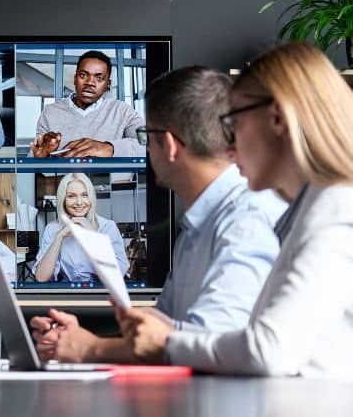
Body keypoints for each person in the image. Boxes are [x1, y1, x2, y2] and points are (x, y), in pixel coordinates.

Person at [121, 43, 353, 379]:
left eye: (235, 122)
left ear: (276, 118)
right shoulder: (309, 210)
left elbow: (268, 350)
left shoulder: (335, 211)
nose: (228, 145)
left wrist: (169, 342)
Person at [31, 66, 285, 364]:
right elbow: (165, 333)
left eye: (146, 136)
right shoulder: (197, 227)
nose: (146, 148)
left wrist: (90, 349)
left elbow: (213, 345)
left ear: (169, 145)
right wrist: (75, 340)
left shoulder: (245, 221)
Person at [29, 50, 145, 158]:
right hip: (63, 180)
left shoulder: (122, 110)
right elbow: (35, 154)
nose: (89, 82)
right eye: (83, 75)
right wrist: (40, 157)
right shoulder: (50, 112)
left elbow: (150, 143)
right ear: (75, 79)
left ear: (107, 85)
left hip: (105, 180)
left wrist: (108, 148)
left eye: (99, 78)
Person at [32, 172, 130, 283]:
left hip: (102, 293)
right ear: (63, 200)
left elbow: (117, 274)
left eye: (85, 195)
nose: (79, 202)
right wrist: (59, 237)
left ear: (91, 198)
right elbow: (41, 277)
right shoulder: (52, 229)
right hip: (70, 294)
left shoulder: (108, 227)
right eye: (71, 196)